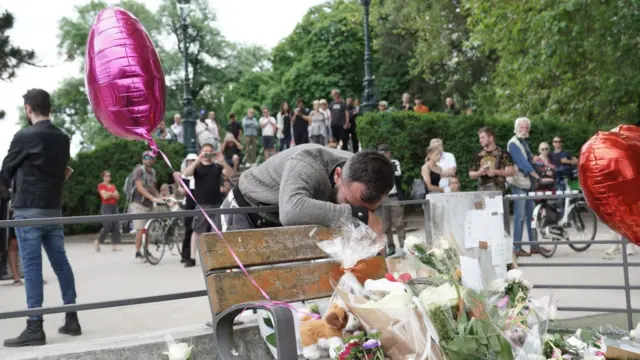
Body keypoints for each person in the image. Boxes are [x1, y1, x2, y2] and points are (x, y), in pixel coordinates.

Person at [1, 89, 80, 347]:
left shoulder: (25, 136)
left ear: (28, 109)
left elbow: (6, 170)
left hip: (28, 211)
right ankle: (72, 318)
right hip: (53, 210)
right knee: (61, 264)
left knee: (32, 269)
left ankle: (35, 326)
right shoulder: (63, 138)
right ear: (50, 109)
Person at [218, 144, 394, 236]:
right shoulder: (307, 162)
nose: (361, 210)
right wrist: (358, 215)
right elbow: (291, 212)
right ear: (338, 175)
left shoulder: (362, 169)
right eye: (349, 203)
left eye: (368, 208)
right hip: (245, 210)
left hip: (275, 218)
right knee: (237, 292)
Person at [182, 143, 234, 267]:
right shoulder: (197, 167)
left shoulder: (217, 167)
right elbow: (186, 173)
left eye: (210, 151)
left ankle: (214, 258)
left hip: (216, 204)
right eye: (205, 151)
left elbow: (230, 173)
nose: (207, 154)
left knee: (215, 232)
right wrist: (198, 159)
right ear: (201, 152)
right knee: (196, 231)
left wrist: (223, 161)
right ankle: (192, 257)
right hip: (201, 205)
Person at [507, 117, 540, 257]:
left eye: (526, 127)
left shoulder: (524, 143)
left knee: (531, 216)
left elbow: (529, 161)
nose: (524, 130)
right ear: (516, 128)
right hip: (519, 183)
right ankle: (517, 248)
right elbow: (522, 163)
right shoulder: (513, 144)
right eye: (521, 127)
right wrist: (538, 176)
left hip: (528, 184)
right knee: (520, 216)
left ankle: (534, 246)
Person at [130, 151, 164, 263]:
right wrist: (152, 198)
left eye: (151, 157)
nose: (149, 159)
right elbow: (139, 187)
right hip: (139, 204)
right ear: (142, 159)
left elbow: (152, 187)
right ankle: (137, 253)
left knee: (148, 229)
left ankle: (146, 251)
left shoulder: (152, 172)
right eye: (146, 157)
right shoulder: (139, 170)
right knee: (140, 229)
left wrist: (160, 197)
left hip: (149, 204)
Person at [378, 145, 406, 256]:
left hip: (394, 196)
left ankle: (404, 246)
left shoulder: (394, 163)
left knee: (399, 223)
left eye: (385, 152)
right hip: (383, 197)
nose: (383, 155)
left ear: (389, 153)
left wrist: (387, 165)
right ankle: (390, 247)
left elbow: (398, 174)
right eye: (381, 153)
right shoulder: (377, 165)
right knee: (385, 226)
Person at [469, 127, 515, 192]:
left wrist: (495, 172)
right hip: (482, 192)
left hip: (499, 192)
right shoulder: (477, 155)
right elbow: (471, 175)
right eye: (479, 138)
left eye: (482, 137)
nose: (480, 140)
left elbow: (512, 172)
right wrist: (480, 172)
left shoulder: (503, 153)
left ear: (491, 138)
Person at [95, 170, 121, 252]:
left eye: (109, 176)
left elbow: (118, 197)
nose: (108, 177)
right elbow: (104, 196)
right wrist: (112, 194)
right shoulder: (101, 185)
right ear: (103, 177)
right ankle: (98, 241)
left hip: (114, 206)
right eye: (106, 176)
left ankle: (115, 245)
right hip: (106, 207)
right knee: (107, 225)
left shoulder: (112, 186)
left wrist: (109, 193)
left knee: (116, 225)